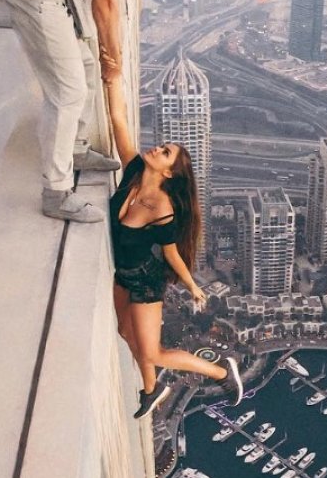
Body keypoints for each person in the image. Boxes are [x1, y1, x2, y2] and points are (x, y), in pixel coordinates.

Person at [105, 72, 243, 419]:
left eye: (165, 152)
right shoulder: (134, 169)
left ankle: (221, 372)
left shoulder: (163, 209)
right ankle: (152, 390)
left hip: (146, 282)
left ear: (168, 172)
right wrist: (112, 80)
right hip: (123, 274)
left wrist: (193, 286)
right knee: (124, 331)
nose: (157, 148)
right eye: (162, 146)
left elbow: (171, 254)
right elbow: (118, 119)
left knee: (153, 353)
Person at [0, 0, 124, 223]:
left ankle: (75, 149)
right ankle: (56, 193)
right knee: (68, 91)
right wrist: (115, 58)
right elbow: (104, 2)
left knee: (86, 65)